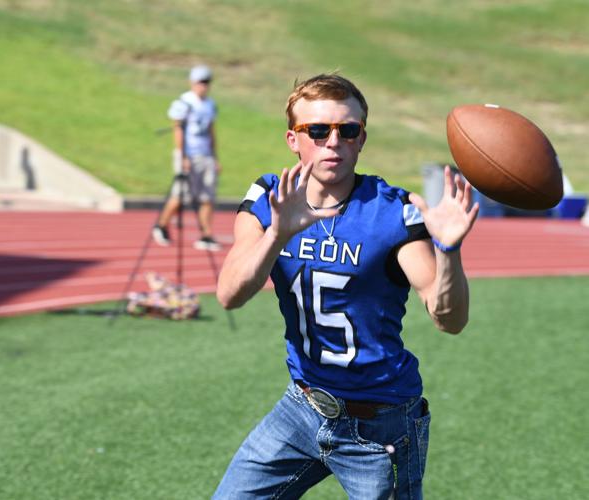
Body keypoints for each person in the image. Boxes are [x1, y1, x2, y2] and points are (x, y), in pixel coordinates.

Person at [213, 73, 479, 499]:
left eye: (347, 130)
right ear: (292, 140)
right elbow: (230, 294)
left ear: (362, 139)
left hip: (380, 422)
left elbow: (450, 319)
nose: (332, 141)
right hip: (301, 406)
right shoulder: (270, 197)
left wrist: (448, 250)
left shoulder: (392, 211)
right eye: (317, 131)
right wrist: (277, 234)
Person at [152, 64, 222, 251]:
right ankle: (161, 224)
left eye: (207, 82)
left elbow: (211, 132)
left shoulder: (210, 104)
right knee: (180, 194)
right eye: (201, 82)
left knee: (207, 196)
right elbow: (178, 130)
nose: (204, 86)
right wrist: (183, 155)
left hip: (205, 154)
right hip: (188, 154)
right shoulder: (184, 102)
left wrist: (215, 157)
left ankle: (206, 235)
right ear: (192, 82)